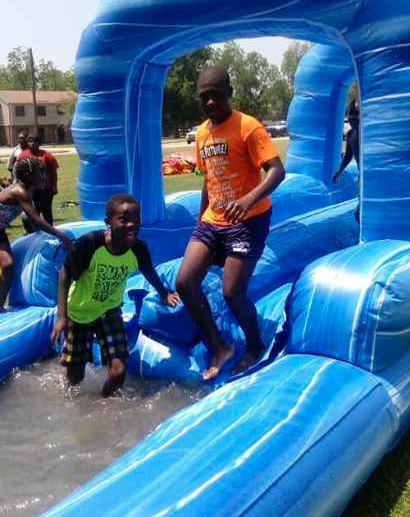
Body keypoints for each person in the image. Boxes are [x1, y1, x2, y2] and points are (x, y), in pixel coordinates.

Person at [175, 66, 285, 382]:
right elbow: (209, 180)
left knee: (232, 292)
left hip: (248, 219)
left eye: (215, 96)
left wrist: (248, 199)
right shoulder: (201, 135)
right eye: (203, 97)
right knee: (184, 282)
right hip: (213, 219)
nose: (209, 103)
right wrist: (200, 224)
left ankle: (253, 344)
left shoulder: (247, 127)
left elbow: (277, 171)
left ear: (229, 93)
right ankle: (219, 347)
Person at [50, 193, 180, 397]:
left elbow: (149, 272)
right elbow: (65, 274)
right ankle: (75, 403)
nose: (131, 224)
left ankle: (103, 404)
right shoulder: (91, 244)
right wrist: (61, 316)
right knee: (76, 378)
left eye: (136, 218)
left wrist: (164, 294)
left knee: (118, 371)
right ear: (108, 222)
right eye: (124, 219)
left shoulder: (138, 249)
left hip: (109, 309)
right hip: (79, 312)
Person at [0, 156, 72, 312]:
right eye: (41, 173)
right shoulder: (20, 190)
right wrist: (62, 236)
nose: (45, 177)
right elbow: (35, 219)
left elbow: (29, 219)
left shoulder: (28, 190)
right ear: (29, 176)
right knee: (8, 264)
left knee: (8, 265)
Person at [17, 134, 59, 230]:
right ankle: (33, 233)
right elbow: (19, 172)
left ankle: (50, 231)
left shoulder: (46, 155)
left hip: (45, 189)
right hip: (30, 191)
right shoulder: (23, 155)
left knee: (47, 212)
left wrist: (54, 186)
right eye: (30, 141)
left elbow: (53, 172)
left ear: (39, 143)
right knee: (33, 213)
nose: (32, 143)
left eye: (34, 141)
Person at [333, 97, 360, 222]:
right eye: (349, 119)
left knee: (359, 213)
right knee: (358, 213)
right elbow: (349, 155)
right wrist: (339, 171)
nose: (351, 122)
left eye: (354, 119)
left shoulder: (366, 133)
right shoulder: (350, 135)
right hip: (362, 177)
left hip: (371, 176)